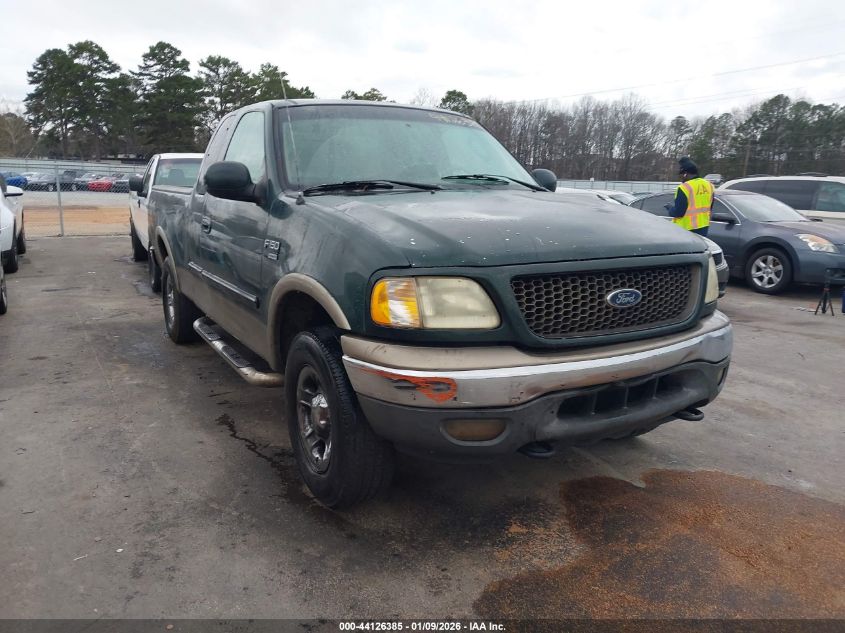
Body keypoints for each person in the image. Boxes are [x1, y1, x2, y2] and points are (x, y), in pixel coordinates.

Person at [665, 157, 713, 236]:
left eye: (681, 175)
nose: (681, 178)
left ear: (685, 174)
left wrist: (670, 208)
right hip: (704, 228)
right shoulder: (709, 185)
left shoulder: (684, 187)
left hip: (685, 230)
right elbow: (709, 207)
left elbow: (679, 212)